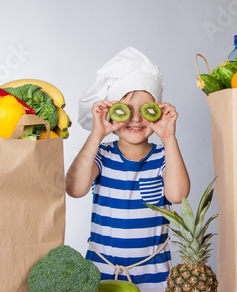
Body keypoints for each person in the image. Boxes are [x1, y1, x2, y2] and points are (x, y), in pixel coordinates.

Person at [66, 47, 190, 289]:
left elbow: (178, 195)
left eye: (145, 110)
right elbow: (74, 188)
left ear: (157, 111)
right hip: (102, 272)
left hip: (153, 275)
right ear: (112, 113)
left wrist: (168, 138)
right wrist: (97, 134)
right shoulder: (102, 154)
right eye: (125, 111)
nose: (135, 119)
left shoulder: (164, 157)